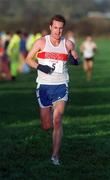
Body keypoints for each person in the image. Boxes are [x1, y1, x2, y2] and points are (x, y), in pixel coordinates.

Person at [26, 14, 78, 165]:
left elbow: (75, 58)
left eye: (61, 28)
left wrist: (74, 59)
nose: (58, 31)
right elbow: (28, 59)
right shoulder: (41, 42)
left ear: (63, 29)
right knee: (46, 125)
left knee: (57, 120)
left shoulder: (68, 44)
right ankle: (47, 116)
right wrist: (40, 66)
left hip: (61, 86)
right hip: (44, 87)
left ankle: (55, 156)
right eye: (55, 28)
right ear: (50, 27)